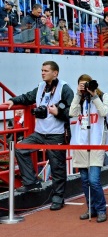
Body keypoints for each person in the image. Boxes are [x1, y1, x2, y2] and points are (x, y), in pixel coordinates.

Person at [2, 61, 73, 211]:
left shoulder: (64, 89)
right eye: (42, 70)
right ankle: (31, 182)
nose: (42, 73)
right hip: (39, 133)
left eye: (46, 70)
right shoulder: (41, 87)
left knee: (57, 168)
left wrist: (58, 112)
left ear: (55, 73)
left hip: (56, 135)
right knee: (20, 149)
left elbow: (72, 112)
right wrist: (12, 101)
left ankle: (58, 197)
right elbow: (28, 97)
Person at [69, 74, 108, 223]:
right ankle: (91, 208)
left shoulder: (103, 96)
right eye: (81, 84)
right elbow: (71, 113)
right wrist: (78, 94)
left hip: (97, 143)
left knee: (94, 180)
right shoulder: (79, 99)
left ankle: (101, 209)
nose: (85, 87)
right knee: (85, 180)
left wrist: (94, 96)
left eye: (86, 84)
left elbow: (104, 112)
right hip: (81, 143)